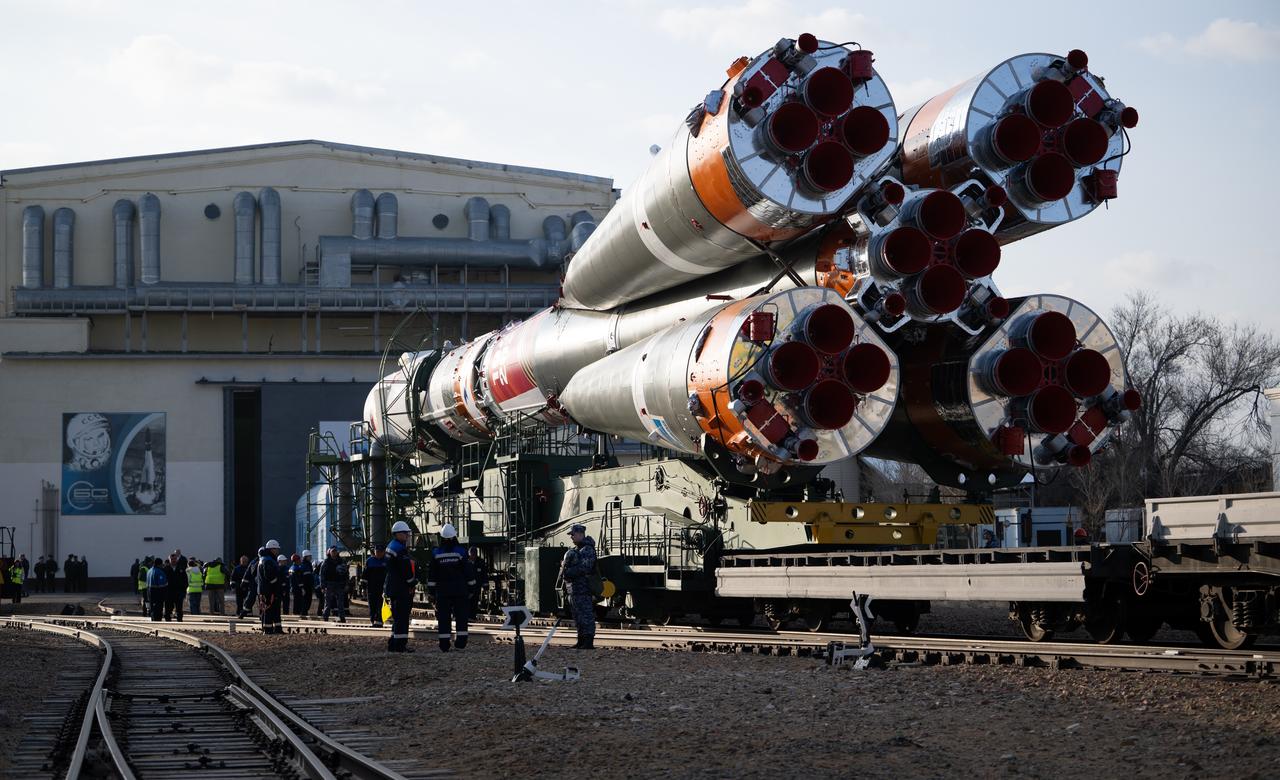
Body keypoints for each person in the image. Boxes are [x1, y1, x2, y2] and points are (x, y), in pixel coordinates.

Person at [427, 523, 475, 652]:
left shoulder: (436, 553)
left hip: (443, 592)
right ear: (454, 536)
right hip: (460, 590)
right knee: (461, 617)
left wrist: (431, 592)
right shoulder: (461, 552)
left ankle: (444, 644)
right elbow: (468, 572)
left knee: (443, 618)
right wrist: (471, 588)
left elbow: (432, 575)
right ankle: (460, 643)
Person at [561, 523, 597, 649]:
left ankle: (588, 641)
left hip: (583, 588)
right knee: (577, 615)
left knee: (586, 614)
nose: (571, 537)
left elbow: (585, 567)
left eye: (573, 534)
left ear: (581, 534)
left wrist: (568, 571)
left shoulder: (587, 549)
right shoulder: (577, 550)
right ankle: (581, 640)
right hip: (575, 588)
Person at [384, 521, 418, 653]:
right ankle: (400, 645)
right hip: (400, 588)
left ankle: (393, 643)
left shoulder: (391, 546)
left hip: (393, 587)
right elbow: (406, 570)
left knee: (398, 617)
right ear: (398, 534)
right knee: (402, 618)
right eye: (406, 533)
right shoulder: (400, 549)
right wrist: (412, 583)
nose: (408, 535)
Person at [257, 540, 283, 634]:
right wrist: (276, 584)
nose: (278, 551)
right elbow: (269, 575)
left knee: (275, 609)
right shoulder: (267, 560)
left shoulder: (267, 559)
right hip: (269, 590)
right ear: (272, 549)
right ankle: (268, 630)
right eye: (276, 549)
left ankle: (277, 628)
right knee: (269, 609)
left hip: (269, 589)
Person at [319, 548, 348, 622]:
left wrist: (345, 584)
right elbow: (322, 574)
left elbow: (345, 573)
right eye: (333, 551)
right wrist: (322, 586)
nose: (334, 553)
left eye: (335, 551)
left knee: (340, 602)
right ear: (329, 552)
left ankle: (342, 617)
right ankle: (325, 616)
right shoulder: (326, 562)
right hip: (329, 584)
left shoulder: (341, 561)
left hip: (339, 584)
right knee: (328, 602)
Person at [362, 545, 387, 627]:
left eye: (380, 551)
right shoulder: (369, 561)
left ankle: (380, 621)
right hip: (371, 588)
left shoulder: (387, 561)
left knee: (380, 605)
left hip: (383, 588)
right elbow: (364, 576)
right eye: (377, 551)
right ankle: (373, 620)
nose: (378, 553)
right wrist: (363, 588)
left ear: (383, 552)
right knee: (372, 605)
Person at [468, 547, 489, 620]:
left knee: (474, 601)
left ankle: (472, 616)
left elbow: (484, 574)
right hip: (467, 586)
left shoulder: (480, 562)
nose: (473, 556)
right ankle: (466, 616)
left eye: (474, 554)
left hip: (476, 586)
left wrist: (485, 586)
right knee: (467, 601)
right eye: (472, 555)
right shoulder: (465, 562)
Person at [165, 552, 186, 621]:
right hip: (169, 592)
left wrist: (183, 591)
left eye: (174, 559)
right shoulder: (166, 569)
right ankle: (168, 620)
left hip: (179, 592)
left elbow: (185, 580)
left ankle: (179, 620)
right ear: (169, 560)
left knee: (179, 608)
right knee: (168, 608)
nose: (173, 560)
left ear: (177, 559)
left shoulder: (181, 568)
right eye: (172, 559)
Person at [296, 551, 315, 618]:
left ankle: (304, 613)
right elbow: (300, 578)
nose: (311, 557)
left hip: (309, 586)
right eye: (309, 556)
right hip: (305, 587)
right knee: (305, 601)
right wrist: (302, 588)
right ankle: (303, 614)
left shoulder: (309, 565)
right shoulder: (302, 566)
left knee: (308, 601)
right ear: (306, 557)